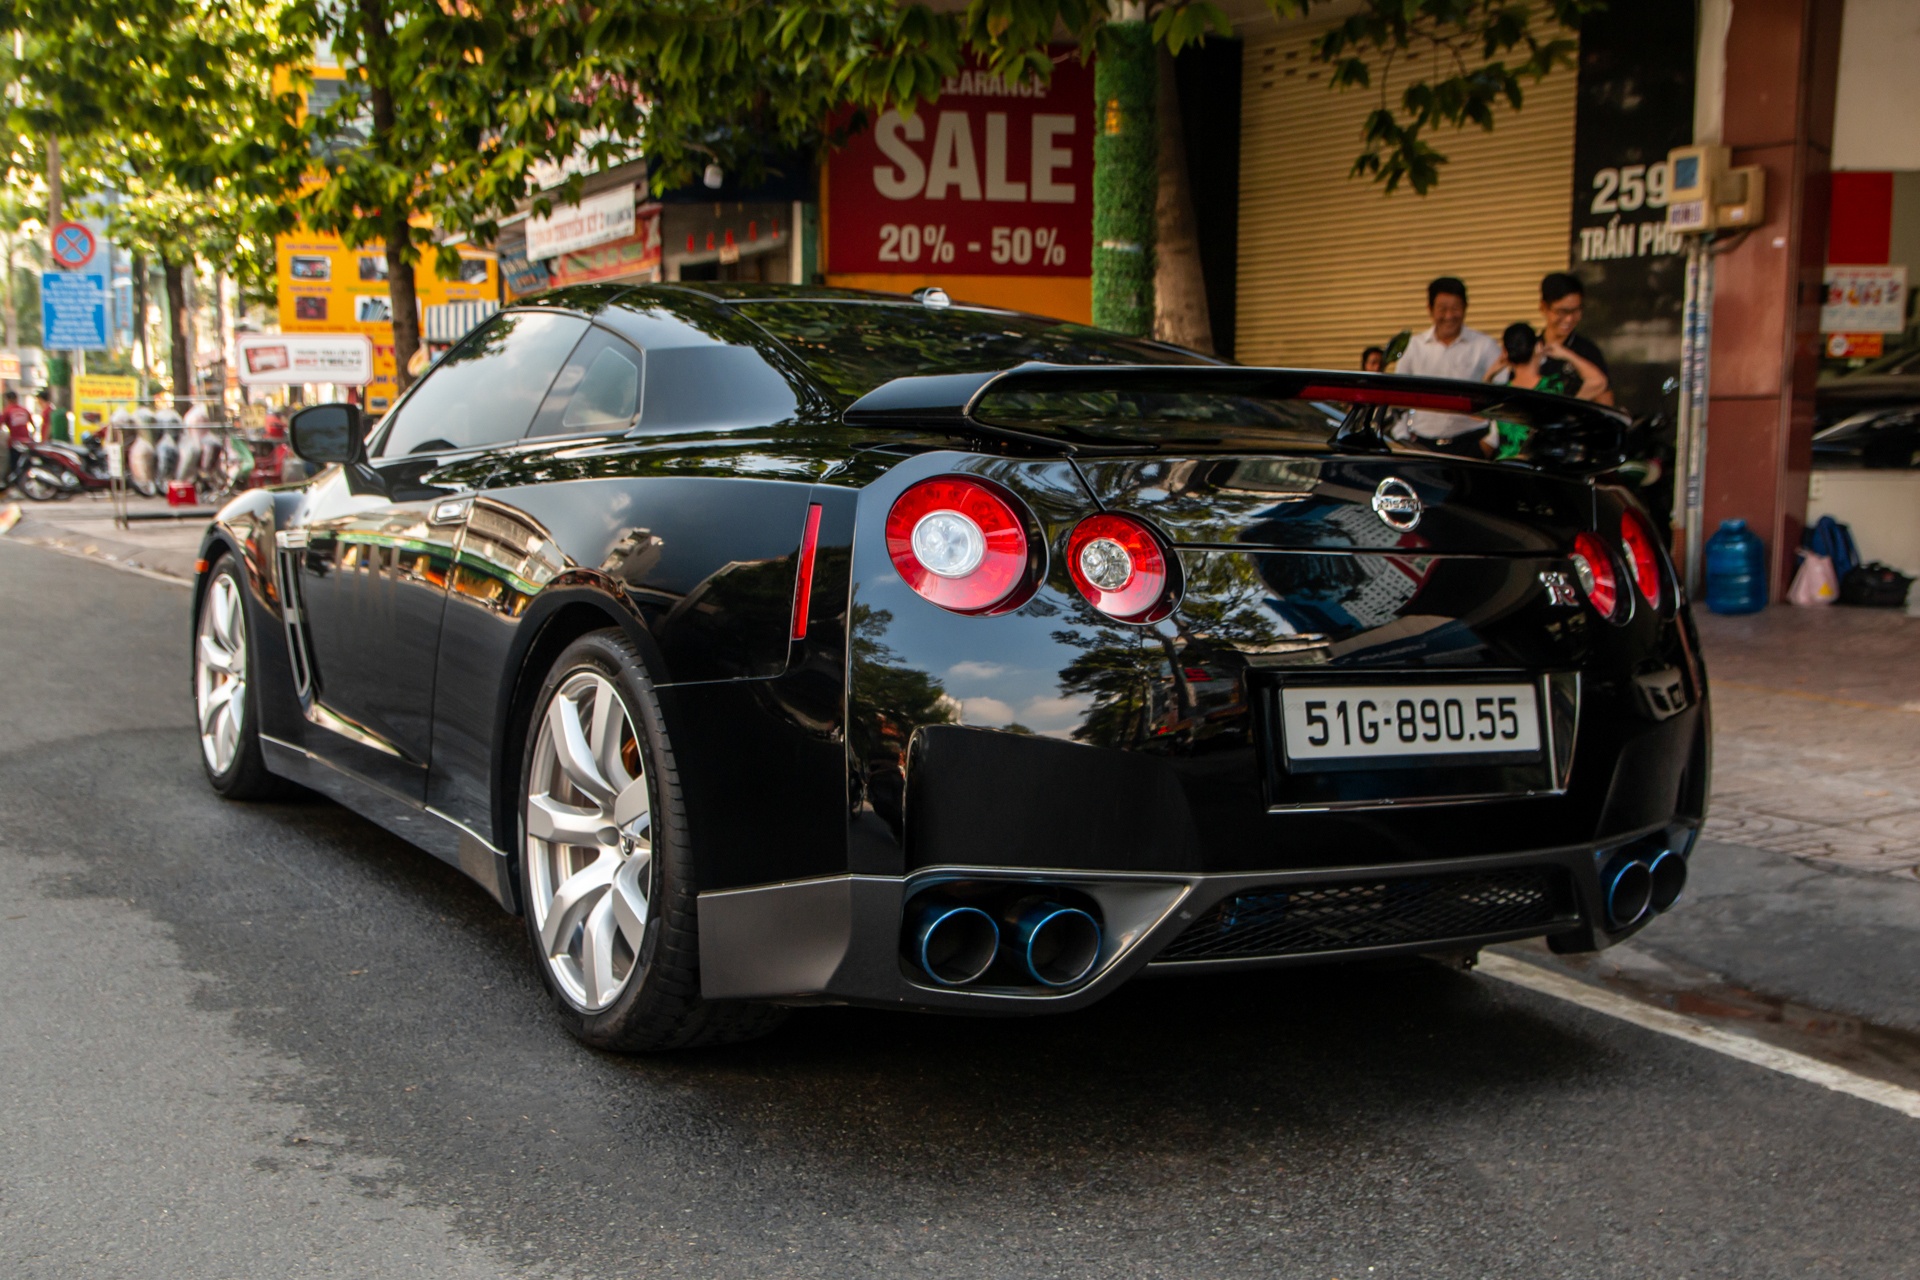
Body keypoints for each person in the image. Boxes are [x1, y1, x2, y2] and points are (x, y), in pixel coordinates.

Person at [1393, 276, 1501, 454]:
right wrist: (1402, 438)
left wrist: (1490, 442)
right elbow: (1397, 397)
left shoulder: (1485, 346)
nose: (1449, 316)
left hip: (1471, 443)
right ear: (1430, 309)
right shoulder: (1413, 347)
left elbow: (1504, 394)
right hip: (1421, 445)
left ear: (1465, 308)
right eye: (1442, 309)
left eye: (1455, 308)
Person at [1482, 323, 1610, 459]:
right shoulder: (1557, 388)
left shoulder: (1500, 393)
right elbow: (1598, 382)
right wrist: (1566, 354)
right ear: (1538, 347)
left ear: (1505, 353)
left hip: (1507, 470)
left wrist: (1489, 375)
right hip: (1543, 468)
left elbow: (1477, 412)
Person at [1538, 272, 1614, 407]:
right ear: (1544, 307)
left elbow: (1606, 402)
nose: (1569, 319)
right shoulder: (1531, 348)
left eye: (1576, 311)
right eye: (1562, 311)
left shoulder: (1587, 351)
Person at [2, 389, 35, 489]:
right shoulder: (24, 410)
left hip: (15, 443)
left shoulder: (7, 411)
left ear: (7, 399)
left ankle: (16, 486)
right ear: (16, 398)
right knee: (27, 464)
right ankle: (28, 484)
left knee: (15, 464)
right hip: (27, 442)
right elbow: (32, 425)